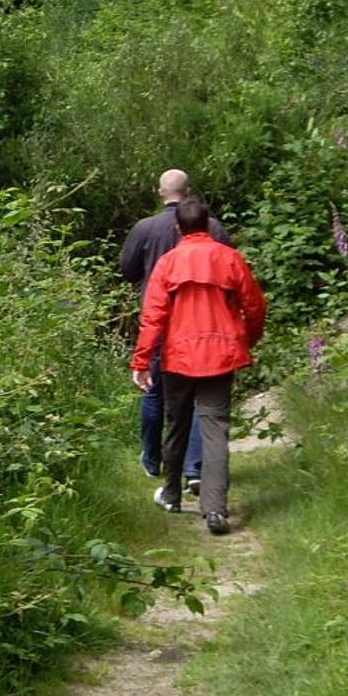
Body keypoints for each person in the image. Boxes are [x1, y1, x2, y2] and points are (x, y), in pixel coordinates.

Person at [130, 198, 265, 536]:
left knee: (176, 425)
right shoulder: (229, 258)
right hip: (220, 355)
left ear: (178, 227)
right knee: (215, 429)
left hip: (178, 356)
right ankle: (215, 509)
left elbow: (153, 316)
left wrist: (142, 360)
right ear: (207, 225)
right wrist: (246, 339)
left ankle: (172, 495)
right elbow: (254, 304)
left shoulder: (168, 263)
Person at [118, 170, 231, 483]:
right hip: (203, 323)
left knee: (153, 391)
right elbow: (230, 268)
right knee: (198, 395)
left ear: (159, 192)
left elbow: (126, 270)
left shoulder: (145, 228)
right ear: (190, 191)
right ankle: (194, 469)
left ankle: (153, 460)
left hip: (158, 321)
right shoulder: (214, 228)